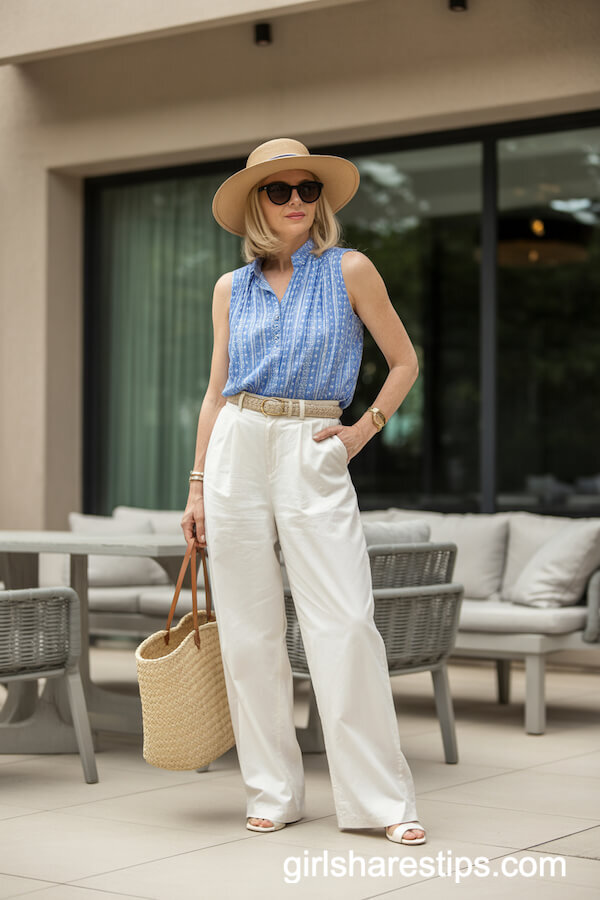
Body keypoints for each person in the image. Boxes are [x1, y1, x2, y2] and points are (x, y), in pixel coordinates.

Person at [180, 137, 426, 845]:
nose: (295, 202)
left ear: (320, 201)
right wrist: (197, 484)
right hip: (237, 446)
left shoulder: (350, 270)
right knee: (251, 634)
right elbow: (214, 392)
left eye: (306, 190)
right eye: (279, 191)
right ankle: (273, 790)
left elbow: (405, 360)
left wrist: (363, 430)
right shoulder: (233, 287)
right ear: (257, 203)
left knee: (345, 622)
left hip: (315, 445)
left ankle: (381, 802)